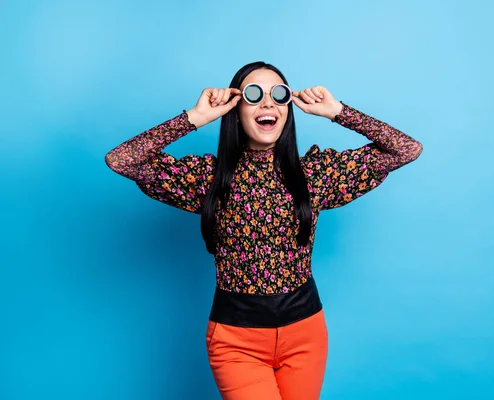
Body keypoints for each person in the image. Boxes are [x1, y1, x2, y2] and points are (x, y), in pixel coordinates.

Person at [105, 61, 423, 400]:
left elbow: (406, 148)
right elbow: (122, 160)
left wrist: (338, 112)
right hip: (236, 342)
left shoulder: (315, 173)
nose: (268, 103)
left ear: (289, 108)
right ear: (236, 108)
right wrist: (195, 117)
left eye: (279, 95)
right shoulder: (208, 178)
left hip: (305, 334)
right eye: (254, 95)